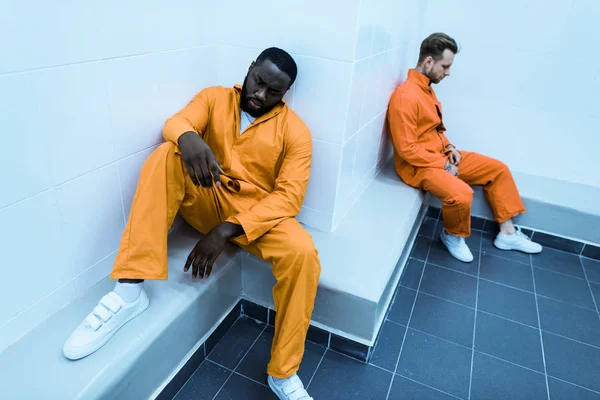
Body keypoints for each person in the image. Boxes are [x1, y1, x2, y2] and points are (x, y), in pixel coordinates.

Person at [63, 47, 319, 400]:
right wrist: (188, 137)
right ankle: (129, 290)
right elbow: (175, 122)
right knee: (167, 153)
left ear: (285, 94)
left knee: (304, 253)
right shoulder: (214, 98)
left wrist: (227, 229)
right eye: (258, 82)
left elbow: (289, 198)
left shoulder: (297, 133)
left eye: (273, 92)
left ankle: (283, 372)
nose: (260, 95)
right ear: (249, 69)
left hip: (252, 219)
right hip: (206, 199)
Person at [387, 33, 542, 262]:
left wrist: (450, 148)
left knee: (497, 169)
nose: (448, 73)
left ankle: (508, 234)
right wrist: (442, 164)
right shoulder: (406, 97)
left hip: (440, 155)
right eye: (445, 66)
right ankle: (452, 235)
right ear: (428, 61)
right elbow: (407, 149)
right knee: (461, 194)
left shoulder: (426, 89)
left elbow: (435, 129)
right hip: (417, 165)